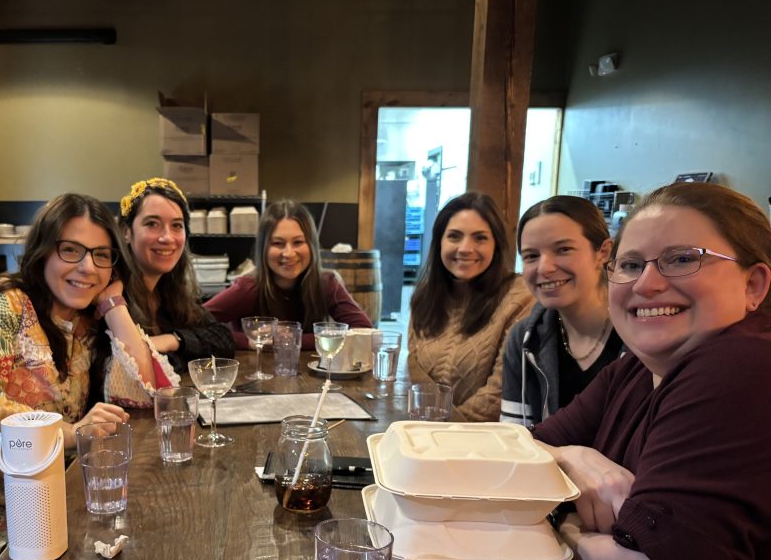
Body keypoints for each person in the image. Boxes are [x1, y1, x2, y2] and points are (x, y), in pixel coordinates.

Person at [533, 182, 771, 560]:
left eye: (682, 259)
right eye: (631, 264)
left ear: (755, 284)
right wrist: (577, 457)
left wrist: (568, 530)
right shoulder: (637, 371)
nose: (647, 284)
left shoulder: (742, 366)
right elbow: (525, 453)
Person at [0, 193, 178, 505]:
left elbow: (147, 395)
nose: (88, 267)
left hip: (58, 494)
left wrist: (114, 305)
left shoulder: (84, 322)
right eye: (70, 250)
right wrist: (69, 432)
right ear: (42, 252)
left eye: (102, 255)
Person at [407, 191, 533, 421]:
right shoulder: (424, 296)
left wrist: (445, 430)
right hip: (426, 433)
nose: (465, 248)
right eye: (454, 236)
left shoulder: (520, 297)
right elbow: (415, 372)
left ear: (496, 244)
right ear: (439, 242)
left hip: (481, 442)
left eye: (480, 238)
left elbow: (498, 393)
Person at [501, 195, 621, 427]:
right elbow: (514, 439)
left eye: (563, 249)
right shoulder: (524, 339)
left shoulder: (640, 337)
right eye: (531, 256)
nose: (545, 268)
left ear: (603, 252)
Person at [203, 199, 372, 349]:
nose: (289, 253)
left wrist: (288, 337)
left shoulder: (326, 283)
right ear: (264, 249)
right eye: (278, 243)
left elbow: (365, 333)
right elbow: (193, 327)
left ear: (312, 245)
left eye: (298, 242)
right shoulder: (248, 288)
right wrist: (250, 340)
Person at [117, 177, 235, 371]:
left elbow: (223, 338)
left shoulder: (171, 291)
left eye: (177, 225)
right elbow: (126, 368)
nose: (167, 237)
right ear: (126, 232)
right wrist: (183, 355)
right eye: (152, 224)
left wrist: (173, 340)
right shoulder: (113, 294)